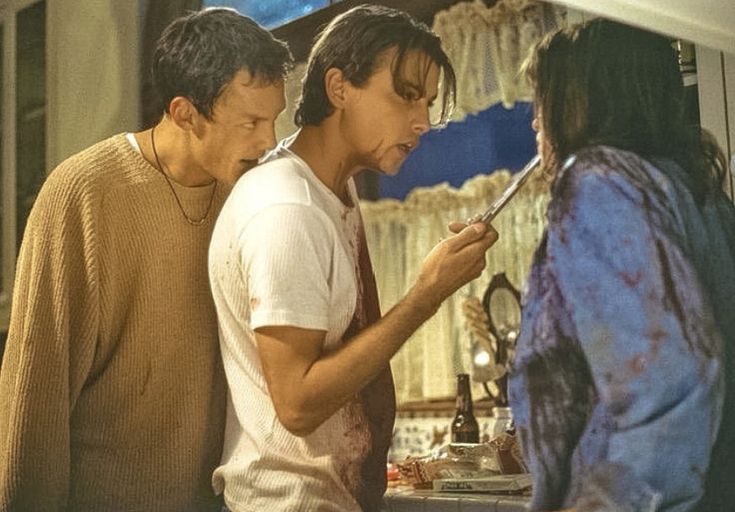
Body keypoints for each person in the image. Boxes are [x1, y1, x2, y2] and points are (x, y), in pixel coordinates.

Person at [0, 8, 291, 511]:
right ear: (184, 113)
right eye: (250, 121)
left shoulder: (251, 196)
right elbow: (35, 392)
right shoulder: (84, 193)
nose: (267, 140)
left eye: (273, 118)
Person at [208, 5, 497, 511]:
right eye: (406, 96)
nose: (423, 121)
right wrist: (426, 295)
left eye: (427, 103)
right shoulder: (286, 206)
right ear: (339, 87)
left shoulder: (330, 191)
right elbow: (297, 405)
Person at [508, 18, 735, 512]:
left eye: (541, 102)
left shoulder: (597, 183)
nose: (535, 122)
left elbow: (667, 388)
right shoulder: (694, 192)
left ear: (580, 101)